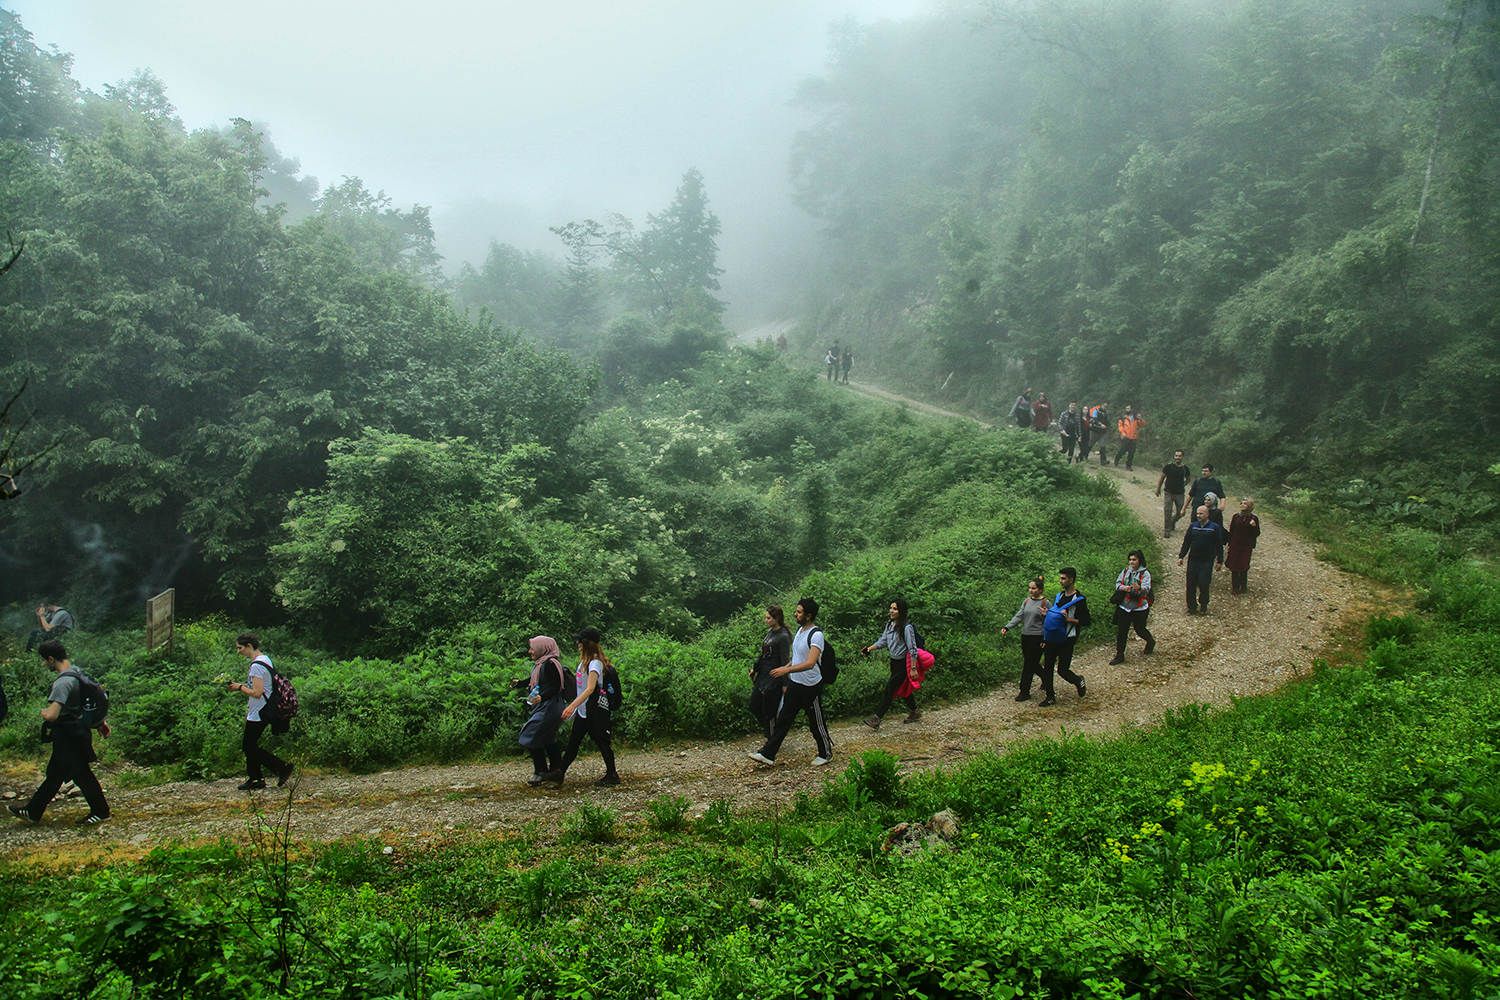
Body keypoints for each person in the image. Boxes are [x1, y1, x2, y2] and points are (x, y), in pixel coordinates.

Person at [9, 639, 111, 825]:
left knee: (80, 774)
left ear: (50, 658)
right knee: (56, 773)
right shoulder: (77, 672)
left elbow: (53, 716)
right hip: (78, 733)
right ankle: (32, 811)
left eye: (43, 660)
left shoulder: (63, 682)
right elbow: (83, 703)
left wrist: (44, 712)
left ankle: (101, 812)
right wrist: (99, 723)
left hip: (68, 736)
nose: (42, 664)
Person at [749, 598, 833, 767]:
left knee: (816, 721)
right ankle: (768, 754)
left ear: (808, 615)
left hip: (810, 685)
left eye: (799, 612)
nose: (795, 614)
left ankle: (825, 753)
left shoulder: (816, 635)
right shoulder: (800, 631)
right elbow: (797, 659)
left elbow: (810, 663)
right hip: (796, 683)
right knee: (783, 720)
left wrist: (785, 670)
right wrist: (785, 668)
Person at [546, 627, 620, 786]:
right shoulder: (584, 663)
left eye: (580, 640)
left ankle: (612, 774)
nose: (577, 643)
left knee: (602, 742)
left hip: (594, 710)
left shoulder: (595, 664)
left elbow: (590, 689)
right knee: (573, 743)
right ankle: (560, 772)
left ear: (588, 643)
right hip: (583, 711)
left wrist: (572, 706)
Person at [227, 633, 294, 791]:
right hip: (263, 709)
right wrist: (243, 685)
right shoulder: (265, 659)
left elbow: (257, 692)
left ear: (249, 646)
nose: (238, 651)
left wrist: (239, 687)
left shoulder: (256, 666)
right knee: (250, 745)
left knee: (248, 746)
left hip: (259, 712)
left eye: (240, 648)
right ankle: (256, 779)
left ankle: (281, 767)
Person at [860, 599, 923, 729]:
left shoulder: (907, 628)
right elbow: (883, 641)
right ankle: (915, 711)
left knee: (890, 689)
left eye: (895, 609)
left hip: (903, 664)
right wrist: (870, 649)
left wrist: (913, 668)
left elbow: (913, 649)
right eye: (891, 608)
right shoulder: (890, 625)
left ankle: (877, 719)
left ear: (901, 611)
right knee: (901, 688)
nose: (891, 611)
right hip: (894, 662)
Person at [519, 636, 573, 785]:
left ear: (543, 648)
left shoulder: (550, 664)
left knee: (531, 735)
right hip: (545, 706)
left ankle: (540, 771)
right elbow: (535, 679)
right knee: (549, 738)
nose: (530, 651)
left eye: (532, 648)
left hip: (550, 707)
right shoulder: (541, 663)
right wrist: (521, 684)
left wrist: (542, 697)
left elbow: (556, 686)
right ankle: (556, 770)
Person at [1040, 568, 1090, 705]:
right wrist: (1047, 614)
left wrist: (1070, 620)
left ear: (1071, 580)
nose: (1060, 581)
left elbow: (1086, 621)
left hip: (1068, 638)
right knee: (1048, 667)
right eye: (1060, 578)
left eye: (1063, 578)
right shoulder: (1059, 597)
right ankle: (1050, 696)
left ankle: (1078, 680)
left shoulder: (1079, 599)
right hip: (1052, 638)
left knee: (1062, 670)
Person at [1001, 577, 1050, 702]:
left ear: (1040, 589)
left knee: (1028, 664)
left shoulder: (1046, 603)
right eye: (1030, 588)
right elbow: (1019, 616)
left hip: (1038, 636)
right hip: (1026, 636)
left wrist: (1045, 639)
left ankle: (1024, 691)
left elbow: (1050, 621)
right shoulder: (1027, 601)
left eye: (1034, 588)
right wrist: (1008, 627)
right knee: (1031, 662)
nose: (1031, 590)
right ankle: (1046, 677)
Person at [749, 606, 792, 740]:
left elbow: (785, 661)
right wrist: (755, 669)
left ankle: (771, 739)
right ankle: (772, 733)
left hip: (775, 676)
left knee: (769, 710)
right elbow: (765, 654)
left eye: (769, 618)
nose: (766, 620)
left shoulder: (783, 637)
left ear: (777, 618)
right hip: (763, 674)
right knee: (754, 705)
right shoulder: (770, 632)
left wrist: (785, 684)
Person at [1178, 505, 1226, 615]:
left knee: (1203, 583)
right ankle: (1191, 607)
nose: (1199, 516)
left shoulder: (1214, 527)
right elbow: (1187, 542)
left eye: (1201, 514)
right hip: (1193, 558)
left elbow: (1219, 544)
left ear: (1207, 514)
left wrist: (1220, 560)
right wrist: (1181, 556)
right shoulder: (1193, 526)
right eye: (1198, 513)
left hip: (1207, 559)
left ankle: (1203, 604)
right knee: (1190, 584)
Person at [1110, 550, 1155, 664]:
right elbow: (1117, 583)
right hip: (1124, 606)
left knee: (1139, 629)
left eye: (1134, 560)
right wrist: (1123, 588)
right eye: (1130, 559)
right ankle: (1120, 654)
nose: (1131, 562)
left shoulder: (1145, 574)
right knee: (1122, 631)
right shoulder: (1125, 571)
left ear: (1140, 561)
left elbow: (1147, 589)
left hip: (1139, 608)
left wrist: (1139, 589)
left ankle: (1150, 641)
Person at [1225, 498, 1262, 594]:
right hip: (1235, 544)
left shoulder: (1254, 518)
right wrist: (1229, 544)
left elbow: (1257, 533)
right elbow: (1232, 531)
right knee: (1234, 565)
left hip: (1246, 546)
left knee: (1243, 565)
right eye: (1241, 503)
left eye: (1245, 504)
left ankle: (1243, 585)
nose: (1242, 505)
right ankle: (1235, 587)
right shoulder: (1236, 517)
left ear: (1250, 506)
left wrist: (1253, 526)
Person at [1155, 450, 1191, 536]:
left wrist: (1183, 484)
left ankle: (1172, 522)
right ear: (1174, 456)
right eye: (1176, 456)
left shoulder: (1185, 468)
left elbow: (1188, 478)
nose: (1178, 457)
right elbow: (1162, 478)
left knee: (1180, 512)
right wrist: (1158, 489)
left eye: (1179, 456)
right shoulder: (1168, 467)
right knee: (1168, 511)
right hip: (1169, 492)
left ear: (1182, 457)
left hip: (1179, 493)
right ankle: (1167, 529)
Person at [1114, 406, 1144, 470]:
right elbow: (1120, 426)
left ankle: (1128, 465)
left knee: (1132, 452)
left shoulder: (1136, 418)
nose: (1127, 410)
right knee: (1123, 450)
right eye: (1126, 408)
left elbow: (1142, 425)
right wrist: (1123, 433)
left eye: (1128, 408)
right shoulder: (1123, 417)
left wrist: (1140, 419)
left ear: (1132, 409)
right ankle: (1117, 459)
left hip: (1133, 437)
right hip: (1125, 437)